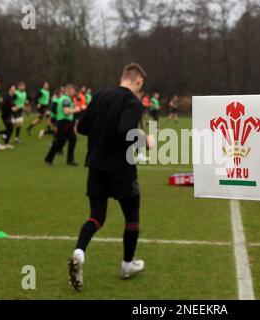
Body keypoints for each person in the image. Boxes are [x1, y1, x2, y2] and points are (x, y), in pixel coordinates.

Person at [68, 63, 149, 291]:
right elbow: (125, 130)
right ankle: (126, 265)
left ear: (122, 77)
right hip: (122, 169)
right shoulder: (133, 102)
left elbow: (82, 127)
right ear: (138, 81)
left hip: (96, 166)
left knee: (96, 217)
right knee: (132, 217)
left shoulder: (100, 96)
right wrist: (145, 141)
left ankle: (79, 252)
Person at [44, 84, 81, 166]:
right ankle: (49, 159)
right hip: (64, 123)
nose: (75, 92)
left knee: (72, 139)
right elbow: (66, 111)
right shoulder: (66, 99)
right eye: (74, 91)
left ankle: (69, 160)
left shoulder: (65, 99)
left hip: (66, 123)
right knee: (59, 142)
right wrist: (76, 109)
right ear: (70, 90)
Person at [0, 84, 17, 149]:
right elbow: (4, 107)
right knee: (10, 129)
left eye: (15, 88)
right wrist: (11, 109)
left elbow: (11, 104)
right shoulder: (6, 97)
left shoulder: (11, 97)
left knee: (10, 129)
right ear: (10, 89)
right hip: (5, 116)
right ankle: (5, 142)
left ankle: (5, 141)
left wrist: (15, 106)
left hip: (8, 115)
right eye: (13, 88)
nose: (15, 89)